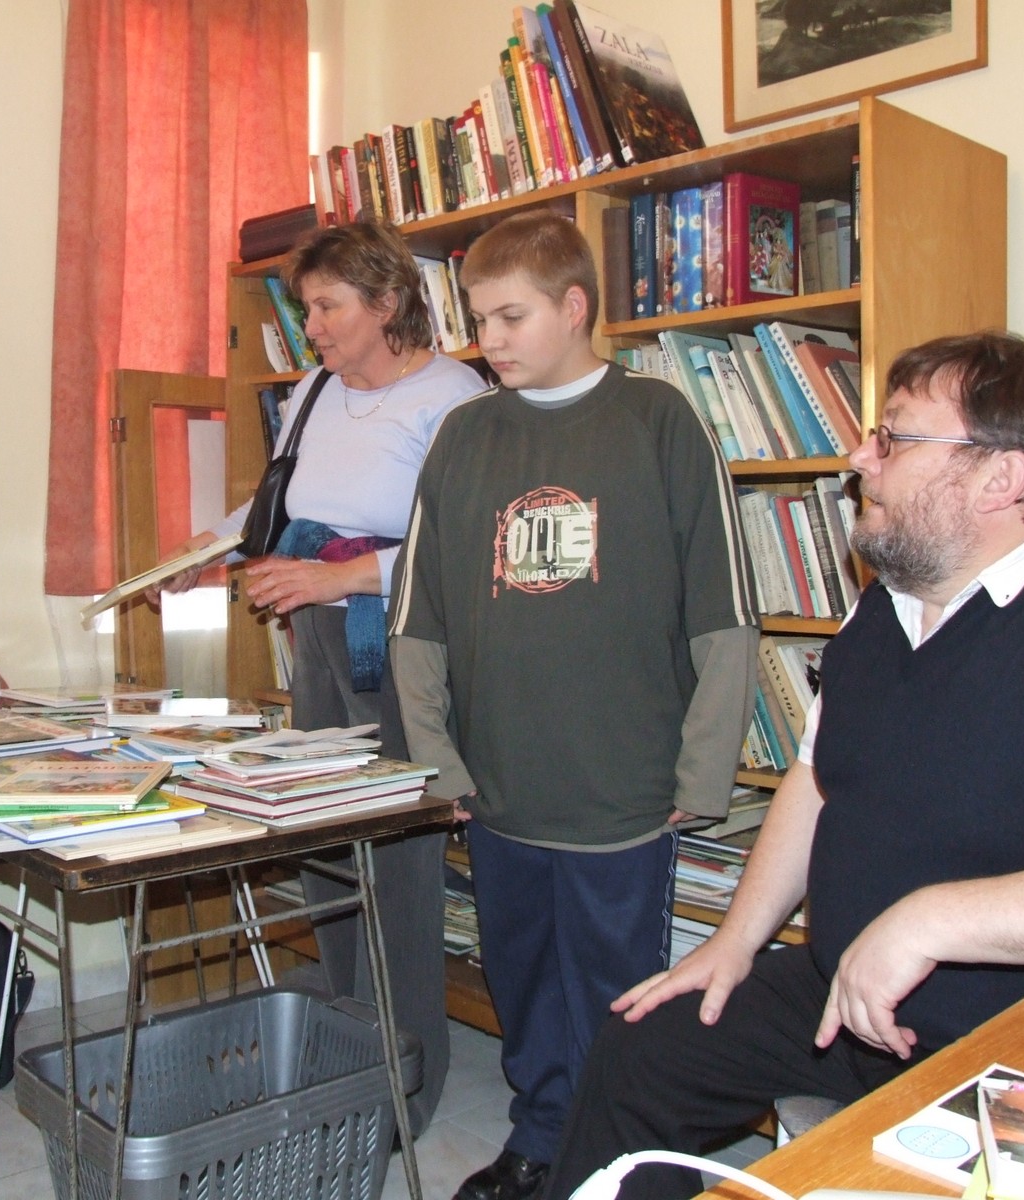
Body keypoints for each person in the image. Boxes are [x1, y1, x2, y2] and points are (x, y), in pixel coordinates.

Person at [545, 330, 1024, 1200]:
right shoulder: (885, 609)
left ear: (1001, 478)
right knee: (645, 1048)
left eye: (896, 437)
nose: (858, 457)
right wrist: (734, 941)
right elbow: (816, 779)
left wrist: (927, 921)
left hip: (1023, 1034)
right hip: (844, 991)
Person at [388, 211, 759, 1200]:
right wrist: (439, 765)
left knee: (616, 995)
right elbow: (417, 619)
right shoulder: (465, 434)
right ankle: (542, 1139)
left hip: (623, 791)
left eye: (510, 317)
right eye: (478, 319)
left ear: (575, 306)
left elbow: (724, 613)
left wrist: (703, 773)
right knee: (522, 981)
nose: (488, 340)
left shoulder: (660, 421)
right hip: (500, 788)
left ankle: (620, 1159)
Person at [158, 219, 485, 1135]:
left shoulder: (456, 398)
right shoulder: (312, 391)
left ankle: (404, 1085)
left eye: (327, 307)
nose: (311, 328)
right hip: (318, 641)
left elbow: (464, 549)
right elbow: (277, 504)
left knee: (397, 870)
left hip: (404, 649)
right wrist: (206, 548)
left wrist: (336, 578)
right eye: (308, 309)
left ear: (387, 303)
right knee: (324, 846)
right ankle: (345, 1052)